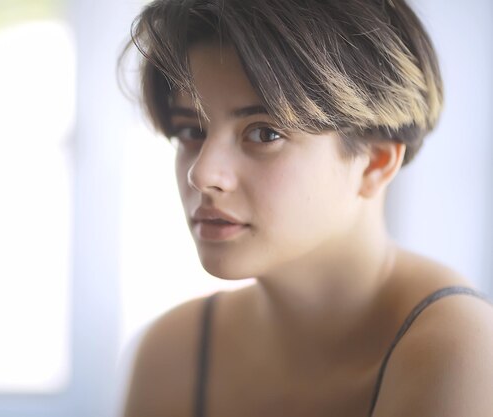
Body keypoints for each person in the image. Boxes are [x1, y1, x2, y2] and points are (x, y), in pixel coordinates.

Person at [120, 0, 493, 416]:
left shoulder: (459, 351)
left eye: (263, 133)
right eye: (192, 130)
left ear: (375, 162)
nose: (202, 174)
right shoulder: (172, 352)